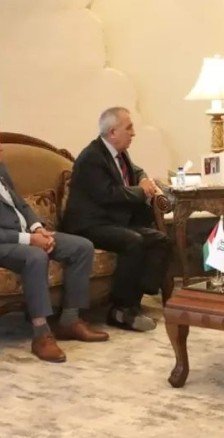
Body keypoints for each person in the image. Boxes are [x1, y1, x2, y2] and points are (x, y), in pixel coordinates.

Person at [0, 119, 108, 364]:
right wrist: (30, 240)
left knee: (81, 247)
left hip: (24, 236)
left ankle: (70, 320)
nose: (1, 147)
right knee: (35, 256)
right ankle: (41, 334)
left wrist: (38, 228)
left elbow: (19, 203)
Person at [61, 107, 172, 332]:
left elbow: (136, 171)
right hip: (88, 225)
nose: (133, 133)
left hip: (111, 221)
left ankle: (133, 301)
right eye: (129, 128)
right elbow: (108, 194)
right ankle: (120, 308)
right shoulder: (92, 157)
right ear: (113, 132)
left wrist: (143, 179)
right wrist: (142, 192)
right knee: (133, 241)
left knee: (160, 240)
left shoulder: (119, 152)